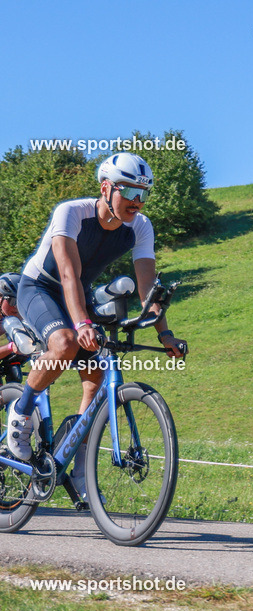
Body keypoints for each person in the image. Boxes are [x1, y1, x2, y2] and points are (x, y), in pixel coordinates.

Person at [5, 153, 186, 502]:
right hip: (41, 287)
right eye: (130, 192)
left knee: (97, 377)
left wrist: (164, 333)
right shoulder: (71, 213)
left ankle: (79, 464)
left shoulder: (141, 226)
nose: (137, 201)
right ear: (106, 188)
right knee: (66, 343)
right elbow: (68, 274)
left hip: (80, 293)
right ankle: (21, 411)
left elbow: (148, 289)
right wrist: (83, 322)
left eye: (143, 195)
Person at [0, 273, 28, 383]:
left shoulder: (17, 314)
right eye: (12, 301)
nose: (16, 307)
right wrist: (11, 347)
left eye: (20, 301)